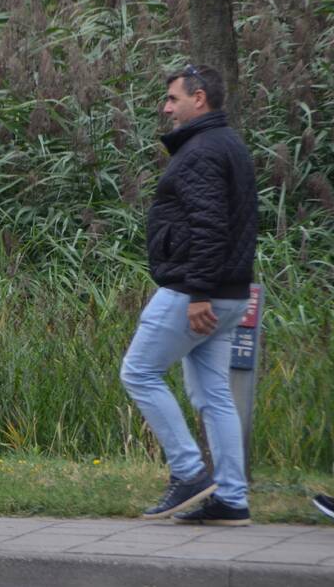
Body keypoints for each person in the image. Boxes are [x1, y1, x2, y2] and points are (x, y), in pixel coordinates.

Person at [120, 64, 258, 526]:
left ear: (199, 99)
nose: (166, 106)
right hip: (232, 290)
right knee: (213, 393)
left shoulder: (201, 151)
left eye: (172, 98)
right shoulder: (230, 144)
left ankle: (188, 472)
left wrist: (198, 293)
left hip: (195, 291)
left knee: (139, 371)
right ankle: (233, 499)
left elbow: (209, 226)